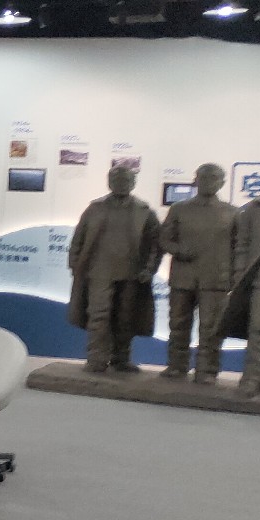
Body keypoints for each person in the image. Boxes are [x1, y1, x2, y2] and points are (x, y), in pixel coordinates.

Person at [67, 165, 160, 373]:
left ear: (134, 183)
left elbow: (155, 244)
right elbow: (78, 239)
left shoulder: (144, 211)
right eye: (116, 180)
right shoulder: (95, 209)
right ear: (109, 182)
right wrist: (75, 264)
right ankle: (96, 359)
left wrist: (149, 268)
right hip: (98, 271)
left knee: (126, 317)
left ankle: (121, 358)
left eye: (126, 180)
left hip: (132, 273)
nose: (121, 184)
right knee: (98, 316)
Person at [159, 164, 236, 383]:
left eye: (214, 178)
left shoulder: (232, 212)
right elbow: (163, 238)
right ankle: (176, 365)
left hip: (216, 279)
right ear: (195, 180)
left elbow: (239, 246)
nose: (209, 182)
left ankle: (207, 370)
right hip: (183, 276)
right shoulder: (179, 209)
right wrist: (178, 250)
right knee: (178, 324)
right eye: (204, 177)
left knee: (211, 328)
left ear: (222, 183)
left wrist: (235, 276)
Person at [229, 168, 260, 397]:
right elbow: (242, 244)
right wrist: (240, 273)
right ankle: (254, 378)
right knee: (259, 330)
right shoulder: (255, 208)